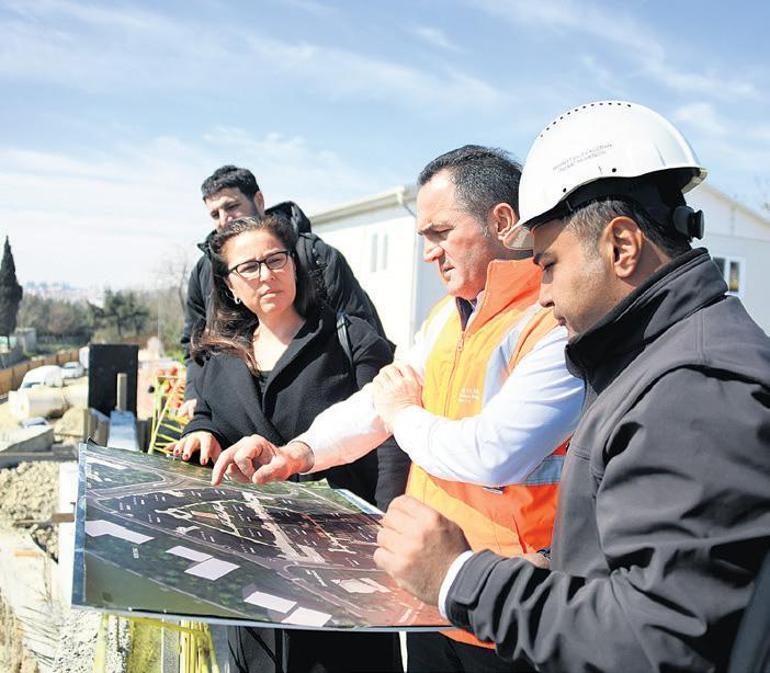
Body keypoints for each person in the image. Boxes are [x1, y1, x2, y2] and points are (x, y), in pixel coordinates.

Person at [374, 101, 770, 672]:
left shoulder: (696, 386)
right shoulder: (659, 358)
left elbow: (659, 642)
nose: (541, 292)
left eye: (551, 264)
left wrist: (462, 577)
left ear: (622, 246)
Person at [212, 146, 585, 672]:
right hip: (433, 596)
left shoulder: (553, 325)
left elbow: (494, 452)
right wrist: (298, 453)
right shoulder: (447, 319)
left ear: (503, 222)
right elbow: (373, 406)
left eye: (440, 233)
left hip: (513, 607)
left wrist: (404, 414)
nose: (430, 253)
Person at [172, 214, 401, 673]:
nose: (266, 274)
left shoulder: (348, 338)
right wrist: (201, 432)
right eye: (248, 268)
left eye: (276, 260)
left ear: (294, 265)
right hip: (252, 561)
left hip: (341, 560)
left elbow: (391, 437)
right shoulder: (220, 356)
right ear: (231, 286)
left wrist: (389, 527)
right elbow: (212, 417)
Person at [178, 165, 389, 420]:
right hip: (240, 416)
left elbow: (362, 329)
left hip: (323, 412)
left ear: (258, 200)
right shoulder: (205, 270)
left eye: (231, 206)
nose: (224, 219)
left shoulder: (315, 255)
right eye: (215, 213)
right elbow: (196, 340)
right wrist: (197, 400)